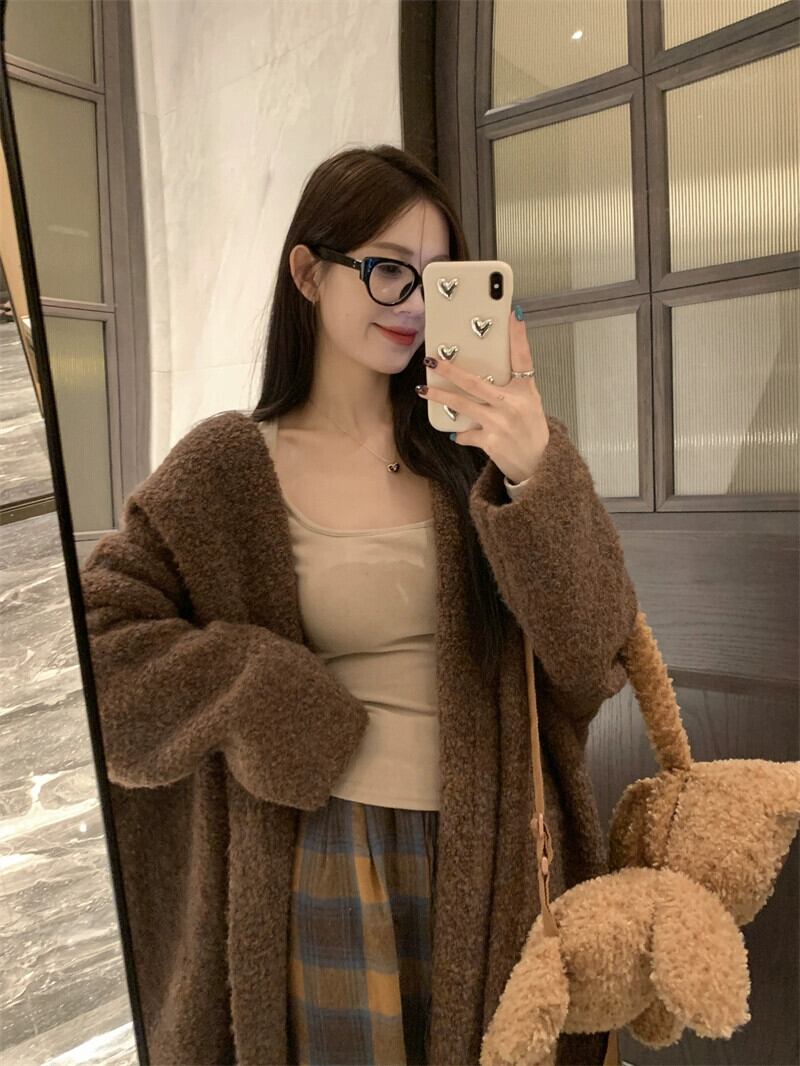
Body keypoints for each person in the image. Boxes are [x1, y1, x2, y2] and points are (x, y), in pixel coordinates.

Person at [80, 144, 638, 1066]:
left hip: (498, 857)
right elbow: (98, 651)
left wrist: (536, 468)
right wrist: (258, 689)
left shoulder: (481, 454)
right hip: (326, 859)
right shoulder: (228, 467)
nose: (414, 304)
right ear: (308, 273)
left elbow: (594, 653)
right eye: (387, 270)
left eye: (438, 278)